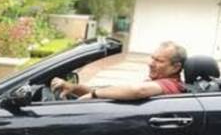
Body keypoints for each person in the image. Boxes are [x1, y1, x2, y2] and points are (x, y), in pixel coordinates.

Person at [51, 41, 187, 101]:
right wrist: (73, 87)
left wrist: (95, 94)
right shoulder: (156, 82)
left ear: (175, 67)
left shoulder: (171, 84)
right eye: (152, 58)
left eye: (159, 61)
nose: (151, 63)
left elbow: (138, 91)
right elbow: (111, 93)